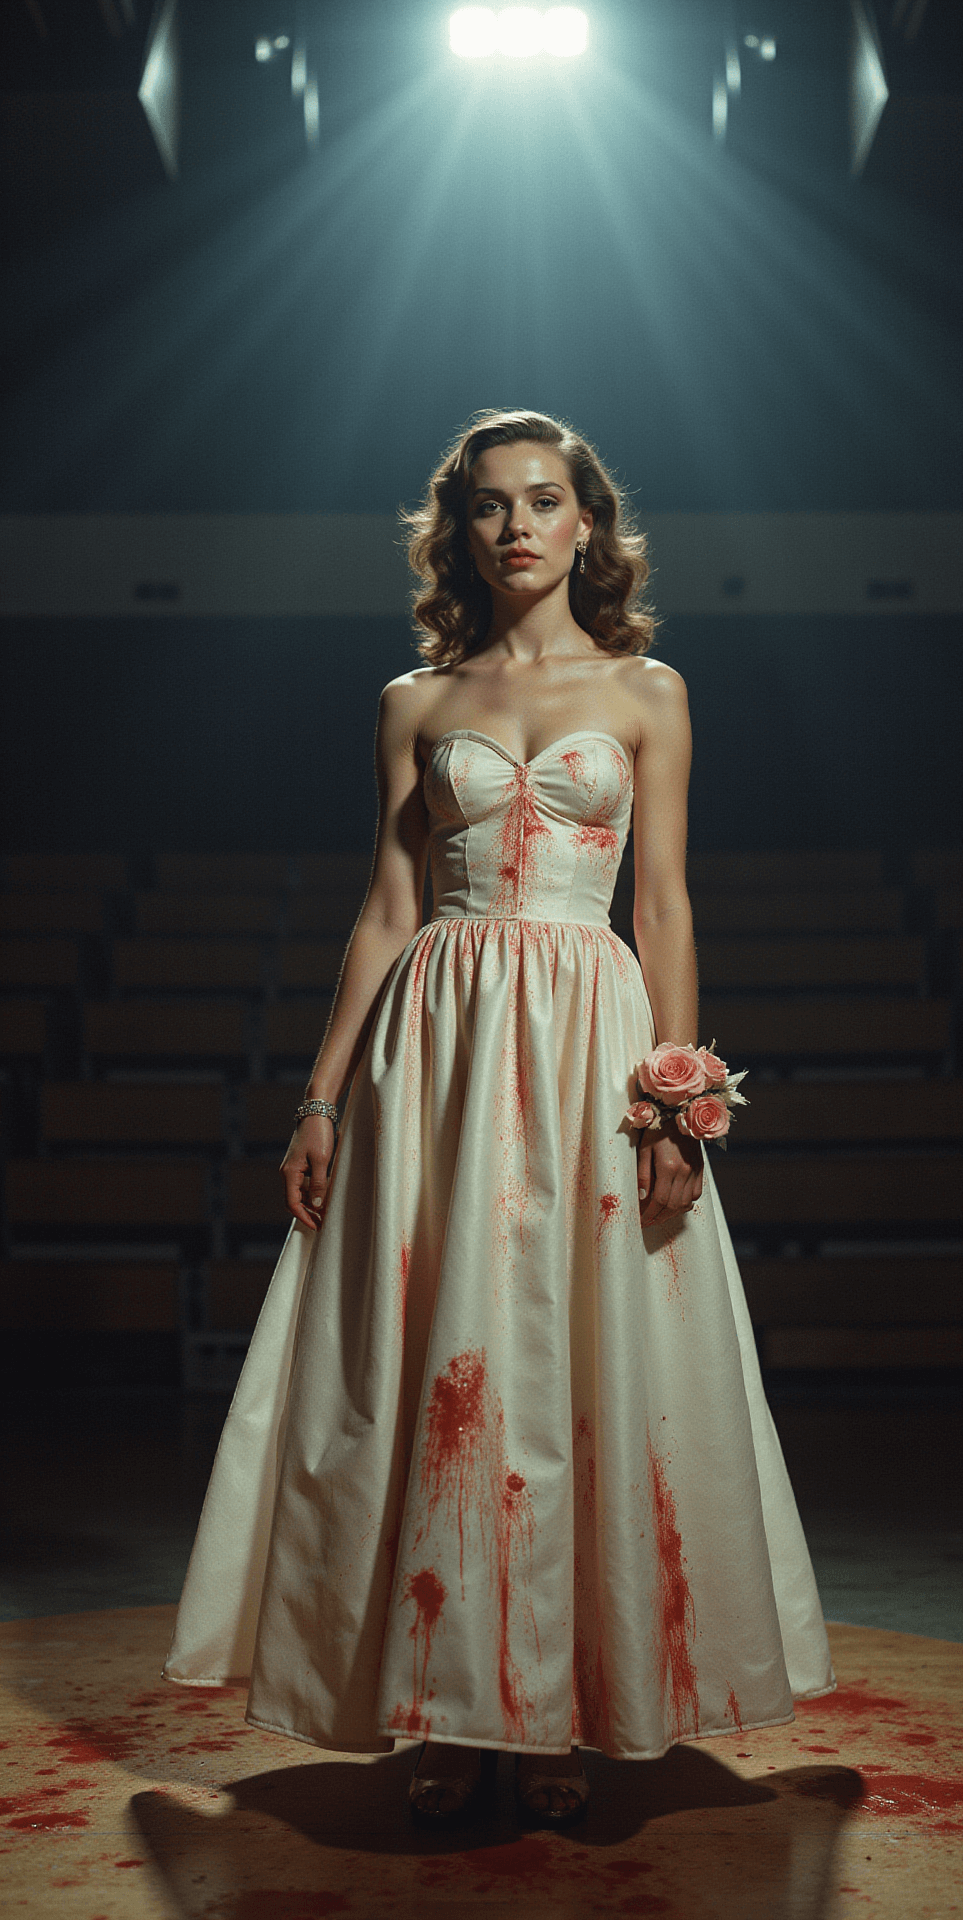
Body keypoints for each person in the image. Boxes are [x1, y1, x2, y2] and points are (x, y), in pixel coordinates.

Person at [164, 408, 834, 1824]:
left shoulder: (652, 690)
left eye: (544, 500)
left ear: (589, 522)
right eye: (488, 504)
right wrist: (321, 1097)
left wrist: (678, 1098)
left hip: (591, 1038)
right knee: (449, 1366)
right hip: (443, 1050)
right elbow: (389, 907)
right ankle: (457, 1717)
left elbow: (664, 905)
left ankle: (585, 1713)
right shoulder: (415, 702)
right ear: (459, 529)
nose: (516, 523)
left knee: (581, 1361)